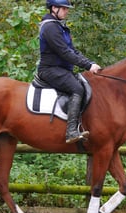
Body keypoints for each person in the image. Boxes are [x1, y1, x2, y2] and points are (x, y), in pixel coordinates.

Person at [37, 0, 101, 144]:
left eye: (67, 9)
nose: (67, 11)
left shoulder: (60, 27)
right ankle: (71, 131)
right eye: (64, 9)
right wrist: (87, 66)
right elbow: (64, 52)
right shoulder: (50, 28)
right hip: (50, 70)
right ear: (54, 8)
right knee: (77, 88)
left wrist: (90, 63)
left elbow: (73, 50)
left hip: (61, 70)